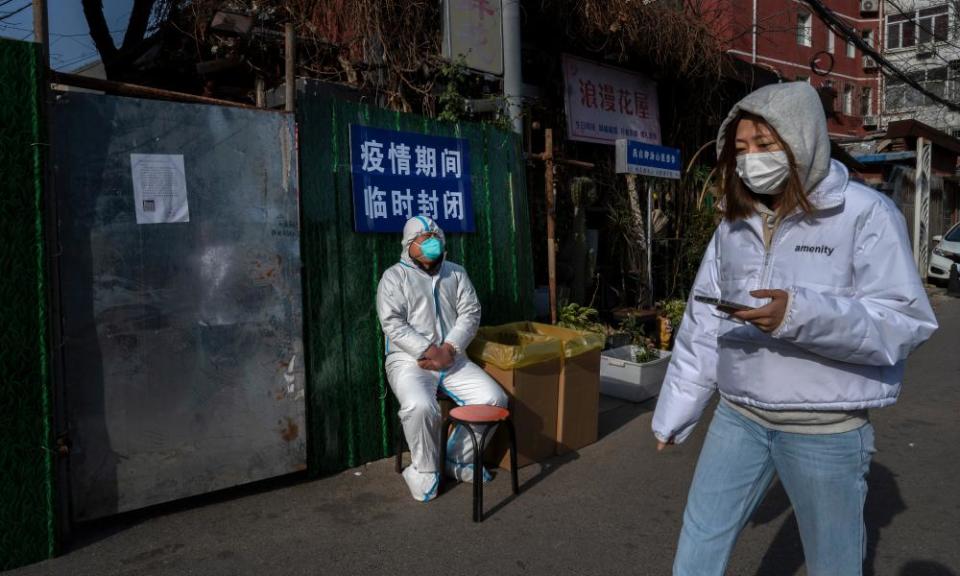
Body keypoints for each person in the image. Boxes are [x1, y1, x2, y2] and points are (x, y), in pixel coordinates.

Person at [652, 82, 938, 576]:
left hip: (825, 430)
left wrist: (797, 316)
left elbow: (905, 320)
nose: (751, 159)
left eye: (765, 145)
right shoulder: (733, 224)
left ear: (802, 139)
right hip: (738, 417)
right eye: (740, 149)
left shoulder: (863, 214)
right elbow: (703, 323)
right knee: (700, 535)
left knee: (833, 562)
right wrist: (676, 413)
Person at [376, 216, 508, 502]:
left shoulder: (456, 273)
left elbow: (470, 313)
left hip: (452, 358)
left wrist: (450, 347)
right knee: (420, 405)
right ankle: (423, 470)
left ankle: (457, 460)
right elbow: (392, 323)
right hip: (409, 360)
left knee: (494, 399)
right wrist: (426, 350)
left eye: (435, 236)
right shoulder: (393, 277)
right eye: (424, 238)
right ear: (409, 245)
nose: (432, 242)